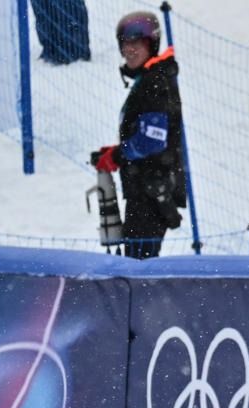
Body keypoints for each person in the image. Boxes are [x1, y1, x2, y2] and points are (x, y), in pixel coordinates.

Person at [93, 12, 186, 260]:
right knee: (137, 260)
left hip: (151, 192)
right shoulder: (149, 78)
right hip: (146, 188)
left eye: (137, 43)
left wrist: (117, 155)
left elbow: (151, 141)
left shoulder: (154, 82)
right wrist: (117, 151)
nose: (129, 50)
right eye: (125, 43)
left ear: (151, 44)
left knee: (138, 265)